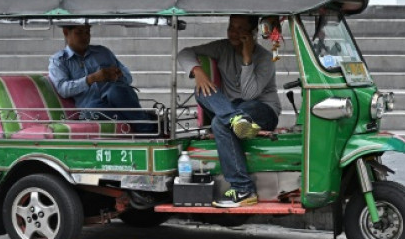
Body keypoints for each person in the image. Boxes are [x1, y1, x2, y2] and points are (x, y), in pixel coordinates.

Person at [177, 15, 280, 208]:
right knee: (202, 91)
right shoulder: (222, 48)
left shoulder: (264, 58)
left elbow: (249, 95)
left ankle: (243, 188)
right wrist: (198, 72)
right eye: (231, 27)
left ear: (252, 33)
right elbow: (184, 53)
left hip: (262, 109)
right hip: (232, 109)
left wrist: (247, 59)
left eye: (241, 29)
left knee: (219, 122)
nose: (234, 32)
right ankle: (235, 119)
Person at [48, 25, 155, 135]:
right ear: (66, 32)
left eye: (87, 32)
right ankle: (147, 125)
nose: (85, 36)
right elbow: (63, 89)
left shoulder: (102, 52)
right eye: (79, 32)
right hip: (92, 107)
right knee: (100, 110)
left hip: (118, 99)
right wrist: (92, 78)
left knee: (116, 90)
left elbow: (128, 77)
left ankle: (145, 125)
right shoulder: (59, 60)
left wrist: (119, 75)